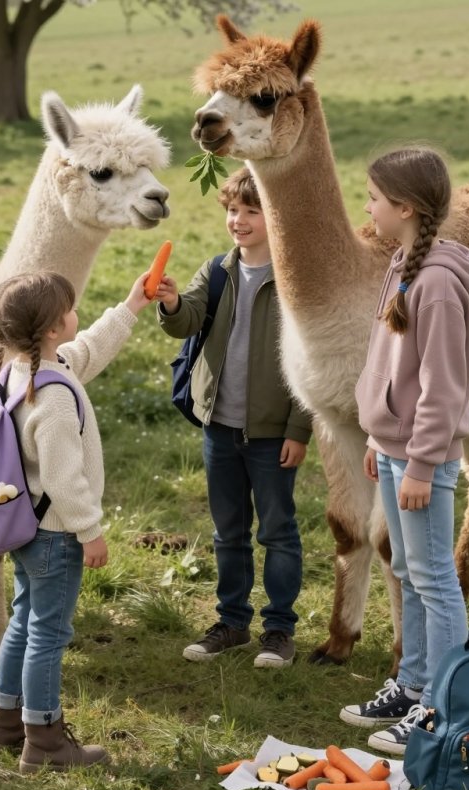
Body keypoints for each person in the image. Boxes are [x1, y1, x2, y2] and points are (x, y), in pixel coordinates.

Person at [0, 269, 159, 772]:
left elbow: (85, 351)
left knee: (23, 622)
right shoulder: (54, 398)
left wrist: (131, 305)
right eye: (69, 308)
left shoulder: (21, 370)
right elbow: (63, 477)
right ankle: (45, 741)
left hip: (25, 526)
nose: (74, 314)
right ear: (53, 328)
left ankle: (6, 723)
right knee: (49, 635)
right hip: (58, 533)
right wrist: (90, 531)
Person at [339, 146, 469, 754]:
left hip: (423, 459)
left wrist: (421, 463)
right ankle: (413, 682)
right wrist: (380, 439)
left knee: (434, 581)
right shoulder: (402, 264)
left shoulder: (440, 286)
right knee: (406, 569)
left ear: (405, 207)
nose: (366, 207)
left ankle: (440, 709)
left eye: (373, 198)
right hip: (395, 449)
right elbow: (392, 367)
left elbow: (444, 387)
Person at [156, 167, 313, 668]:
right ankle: (231, 623)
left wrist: (298, 429)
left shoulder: (294, 280)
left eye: (251, 211)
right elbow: (188, 319)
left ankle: (279, 630)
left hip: (272, 436)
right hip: (219, 429)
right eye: (232, 210)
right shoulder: (218, 271)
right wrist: (173, 302)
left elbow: (311, 358)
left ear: (274, 217)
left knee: (277, 531)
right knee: (228, 532)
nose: (238, 220)